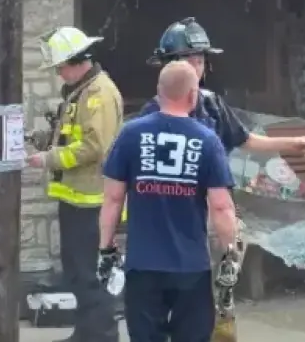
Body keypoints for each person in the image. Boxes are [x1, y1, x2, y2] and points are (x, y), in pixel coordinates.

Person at [98, 61, 237, 342]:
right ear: (193, 95)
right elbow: (221, 207)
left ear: (158, 91)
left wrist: (106, 248)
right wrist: (229, 255)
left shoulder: (130, 134)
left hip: (142, 265)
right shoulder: (208, 140)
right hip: (191, 267)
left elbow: (113, 198)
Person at [28, 26, 123, 342]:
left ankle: (102, 336)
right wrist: (42, 140)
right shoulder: (80, 91)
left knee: (91, 274)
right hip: (77, 200)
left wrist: (49, 159)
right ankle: (85, 333)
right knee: (77, 272)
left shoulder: (99, 95)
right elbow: (72, 135)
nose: (58, 73)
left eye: (60, 67)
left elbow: (94, 147)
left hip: (93, 202)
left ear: (76, 61)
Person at [139, 18, 305, 158]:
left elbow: (244, 140)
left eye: (200, 61)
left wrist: (291, 143)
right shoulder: (151, 114)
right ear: (167, 65)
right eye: (188, 61)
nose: (195, 69)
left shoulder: (212, 104)